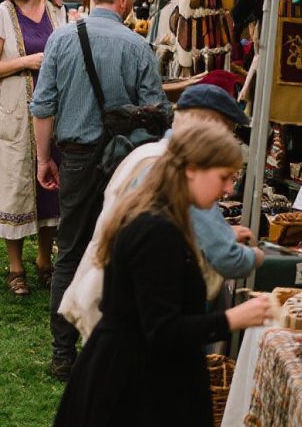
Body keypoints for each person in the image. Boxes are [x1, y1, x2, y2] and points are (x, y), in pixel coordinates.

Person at [46, 125, 271, 427]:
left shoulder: (167, 219)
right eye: (223, 177)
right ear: (190, 170)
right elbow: (162, 329)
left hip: (137, 383)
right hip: (134, 394)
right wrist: (232, 319)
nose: (227, 190)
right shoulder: (157, 231)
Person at [31, 0, 169, 382]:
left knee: (70, 252)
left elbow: (42, 106)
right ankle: (111, 348)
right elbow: (157, 113)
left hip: (74, 158)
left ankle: (62, 352)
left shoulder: (61, 38)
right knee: (120, 251)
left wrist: (43, 159)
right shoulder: (137, 45)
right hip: (123, 164)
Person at [61, 81, 264, 341]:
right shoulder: (176, 184)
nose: (227, 188)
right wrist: (259, 259)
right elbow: (163, 330)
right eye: (229, 131)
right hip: (131, 338)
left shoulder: (148, 153)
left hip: (108, 305)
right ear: (207, 130)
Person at [0, 0, 65, 296]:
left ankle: (45, 260)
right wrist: (27, 62)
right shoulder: (1, 14)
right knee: (14, 185)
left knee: (50, 189)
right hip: (15, 113)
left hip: (52, 116)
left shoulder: (59, 11)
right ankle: (15, 267)